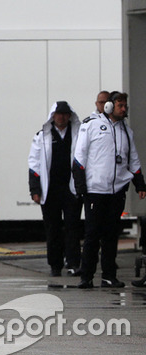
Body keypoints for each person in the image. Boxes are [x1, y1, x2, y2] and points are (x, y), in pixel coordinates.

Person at [72, 91, 146, 288]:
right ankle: (86, 276)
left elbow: (133, 160)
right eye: (120, 106)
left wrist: (140, 184)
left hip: (116, 191)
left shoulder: (126, 132)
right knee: (92, 235)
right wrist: (81, 187)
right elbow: (79, 157)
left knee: (111, 235)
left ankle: (109, 276)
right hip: (95, 190)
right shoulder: (91, 125)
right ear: (109, 106)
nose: (124, 110)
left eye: (125, 106)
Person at [28, 101, 82, 277]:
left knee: (73, 227)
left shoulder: (78, 134)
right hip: (49, 190)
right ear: (53, 116)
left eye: (65, 114)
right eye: (59, 114)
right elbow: (34, 164)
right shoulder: (42, 136)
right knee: (53, 228)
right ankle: (55, 264)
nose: (62, 117)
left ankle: (74, 262)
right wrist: (35, 190)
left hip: (71, 188)